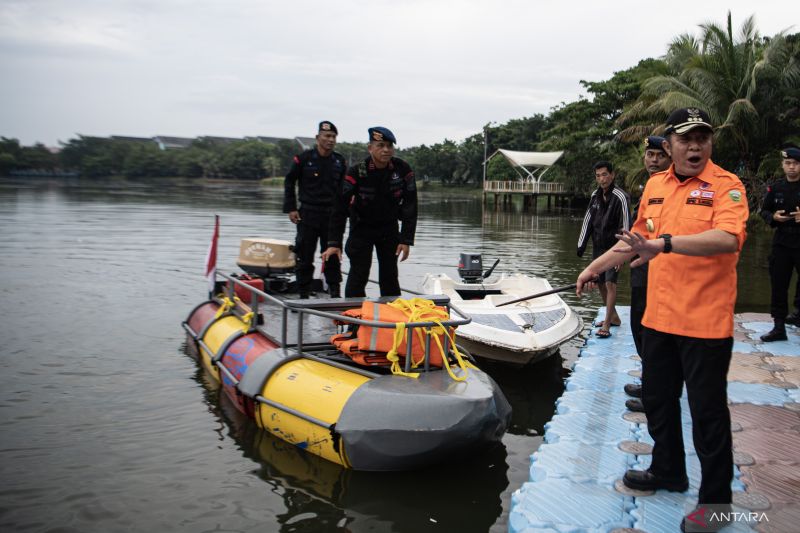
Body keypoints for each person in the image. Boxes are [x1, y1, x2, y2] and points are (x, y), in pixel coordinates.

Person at [576, 108, 748, 532]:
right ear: (668, 144)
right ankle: (668, 470)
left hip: (706, 323)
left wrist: (665, 244)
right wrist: (595, 267)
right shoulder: (655, 185)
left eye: (702, 139)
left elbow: (727, 239)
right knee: (657, 400)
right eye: (686, 139)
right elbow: (635, 241)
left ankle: (716, 503)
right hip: (659, 318)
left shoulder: (726, 186)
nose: (695, 147)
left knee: (707, 413)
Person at [322, 126, 417, 297]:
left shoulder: (402, 169)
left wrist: (406, 239)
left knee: (389, 275)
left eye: (389, 145)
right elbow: (340, 207)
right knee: (359, 273)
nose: (386, 150)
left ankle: (392, 320)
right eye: (380, 145)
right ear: (370, 148)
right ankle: (353, 321)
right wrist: (334, 243)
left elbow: (411, 205)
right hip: (361, 228)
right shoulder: (358, 171)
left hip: (389, 228)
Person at [625, 136, 672, 411]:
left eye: (659, 156)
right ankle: (649, 380)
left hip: (662, 269)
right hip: (640, 269)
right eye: (649, 155)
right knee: (639, 326)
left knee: (655, 331)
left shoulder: (673, 190)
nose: (653, 161)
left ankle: (657, 389)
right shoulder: (649, 188)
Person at [283, 121, 347, 298]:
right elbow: (289, 181)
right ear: (318, 138)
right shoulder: (304, 159)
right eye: (327, 136)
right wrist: (291, 208)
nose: (330, 140)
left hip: (331, 216)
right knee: (304, 255)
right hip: (308, 214)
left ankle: (335, 293)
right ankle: (303, 292)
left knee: (333, 255)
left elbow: (344, 191)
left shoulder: (339, 162)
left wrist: (345, 213)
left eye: (333, 137)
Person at [577, 161, 631, 338]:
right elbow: (587, 220)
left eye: (605, 174)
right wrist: (581, 245)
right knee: (599, 282)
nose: (602, 179)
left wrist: (622, 255)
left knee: (610, 283)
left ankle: (607, 324)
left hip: (615, 248)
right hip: (598, 245)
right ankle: (614, 317)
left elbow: (626, 226)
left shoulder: (621, 196)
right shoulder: (595, 196)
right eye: (598, 175)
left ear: (612, 175)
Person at [759, 145, 800, 341]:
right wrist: (773, 217)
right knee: (778, 284)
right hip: (782, 241)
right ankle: (778, 326)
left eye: (796, 163)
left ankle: (798, 313)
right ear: (783, 165)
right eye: (788, 163)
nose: (792, 167)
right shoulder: (776, 188)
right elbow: (764, 211)